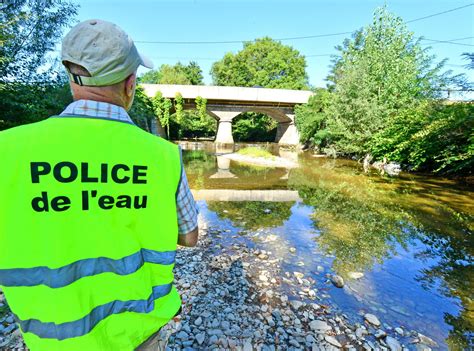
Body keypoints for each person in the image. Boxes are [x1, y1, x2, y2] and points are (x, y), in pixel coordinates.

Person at [0, 19, 198, 351]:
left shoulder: (8, 149)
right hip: (138, 334)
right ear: (130, 83)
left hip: (52, 338)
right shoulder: (163, 156)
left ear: (70, 74)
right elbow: (189, 236)